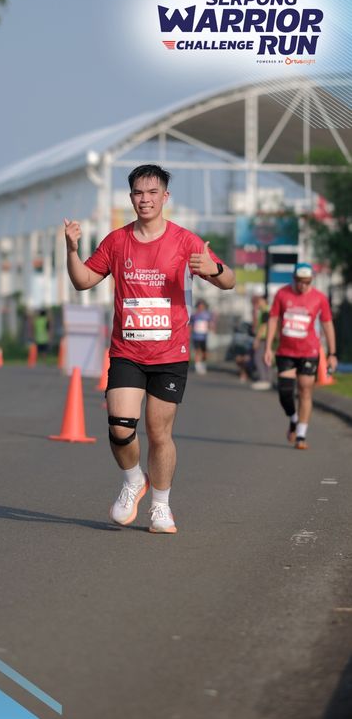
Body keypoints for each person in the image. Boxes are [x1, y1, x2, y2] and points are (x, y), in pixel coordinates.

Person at [64, 164, 235, 533]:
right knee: (120, 427)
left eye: (152, 192)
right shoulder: (116, 241)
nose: (145, 199)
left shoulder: (186, 241)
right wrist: (72, 250)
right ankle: (133, 481)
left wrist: (214, 268)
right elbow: (83, 281)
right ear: (131, 198)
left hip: (171, 354)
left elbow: (230, 281)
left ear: (165, 197)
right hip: (128, 351)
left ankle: (160, 506)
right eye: (139, 193)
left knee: (159, 434)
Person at [263, 262, 337, 450]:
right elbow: (273, 319)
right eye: (299, 281)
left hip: (309, 351)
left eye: (307, 281)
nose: (303, 285)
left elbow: (327, 324)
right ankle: (293, 418)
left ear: (311, 280)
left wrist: (332, 353)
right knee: (285, 393)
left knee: (305, 390)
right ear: (294, 279)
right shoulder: (282, 294)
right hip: (286, 351)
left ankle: (301, 435)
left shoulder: (319, 298)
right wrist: (268, 347)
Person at [251, 295, 272, 390]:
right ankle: (267, 380)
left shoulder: (265, 311)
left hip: (264, 338)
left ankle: (264, 380)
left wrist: (257, 339)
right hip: (266, 338)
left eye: (259, 301)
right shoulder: (264, 310)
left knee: (258, 358)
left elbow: (263, 327)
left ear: (264, 301)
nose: (258, 303)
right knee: (265, 358)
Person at [190, 299, 215, 374]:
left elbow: (211, 324)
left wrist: (211, 328)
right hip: (196, 336)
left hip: (204, 337)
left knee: (204, 352)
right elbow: (191, 325)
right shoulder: (194, 315)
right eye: (199, 306)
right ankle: (198, 366)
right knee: (197, 351)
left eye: (202, 306)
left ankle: (203, 364)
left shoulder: (207, 315)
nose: (200, 307)